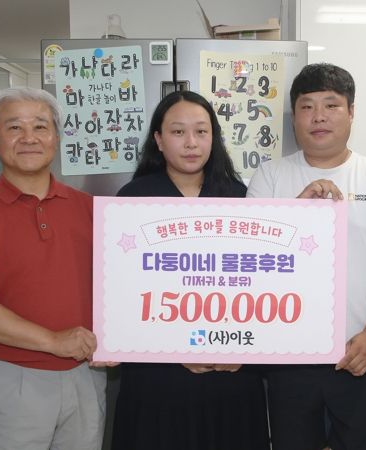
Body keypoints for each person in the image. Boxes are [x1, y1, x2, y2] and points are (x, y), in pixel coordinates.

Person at [246, 63, 366, 450]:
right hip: (288, 356)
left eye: (331, 105)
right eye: (307, 107)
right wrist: (298, 212)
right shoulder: (269, 177)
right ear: (294, 117)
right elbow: (253, 262)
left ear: (351, 112)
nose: (318, 116)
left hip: (360, 354)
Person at [0, 87, 108, 449]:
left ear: (56, 138)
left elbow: (119, 284)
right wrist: (54, 341)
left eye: (40, 126)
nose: (29, 138)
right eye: (14, 127)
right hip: (14, 378)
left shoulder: (92, 209)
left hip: (87, 371)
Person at [111, 90, 270, 450]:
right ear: (158, 139)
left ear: (214, 137)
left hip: (230, 375)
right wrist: (173, 350)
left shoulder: (241, 198)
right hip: (157, 380)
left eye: (201, 131)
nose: (191, 143)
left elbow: (263, 286)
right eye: (178, 132)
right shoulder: (131, 200)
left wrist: (241, 352)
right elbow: (122, 296)